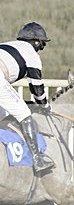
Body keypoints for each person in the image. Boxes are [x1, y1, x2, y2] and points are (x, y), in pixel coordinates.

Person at [0, 22, 56, 175]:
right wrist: (45, 105)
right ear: (36, 42)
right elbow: (36, 88)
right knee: (24, 114)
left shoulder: (7, 45)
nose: (41, 50)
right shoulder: (31, 54)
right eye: (42, 45)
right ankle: (37, 159)